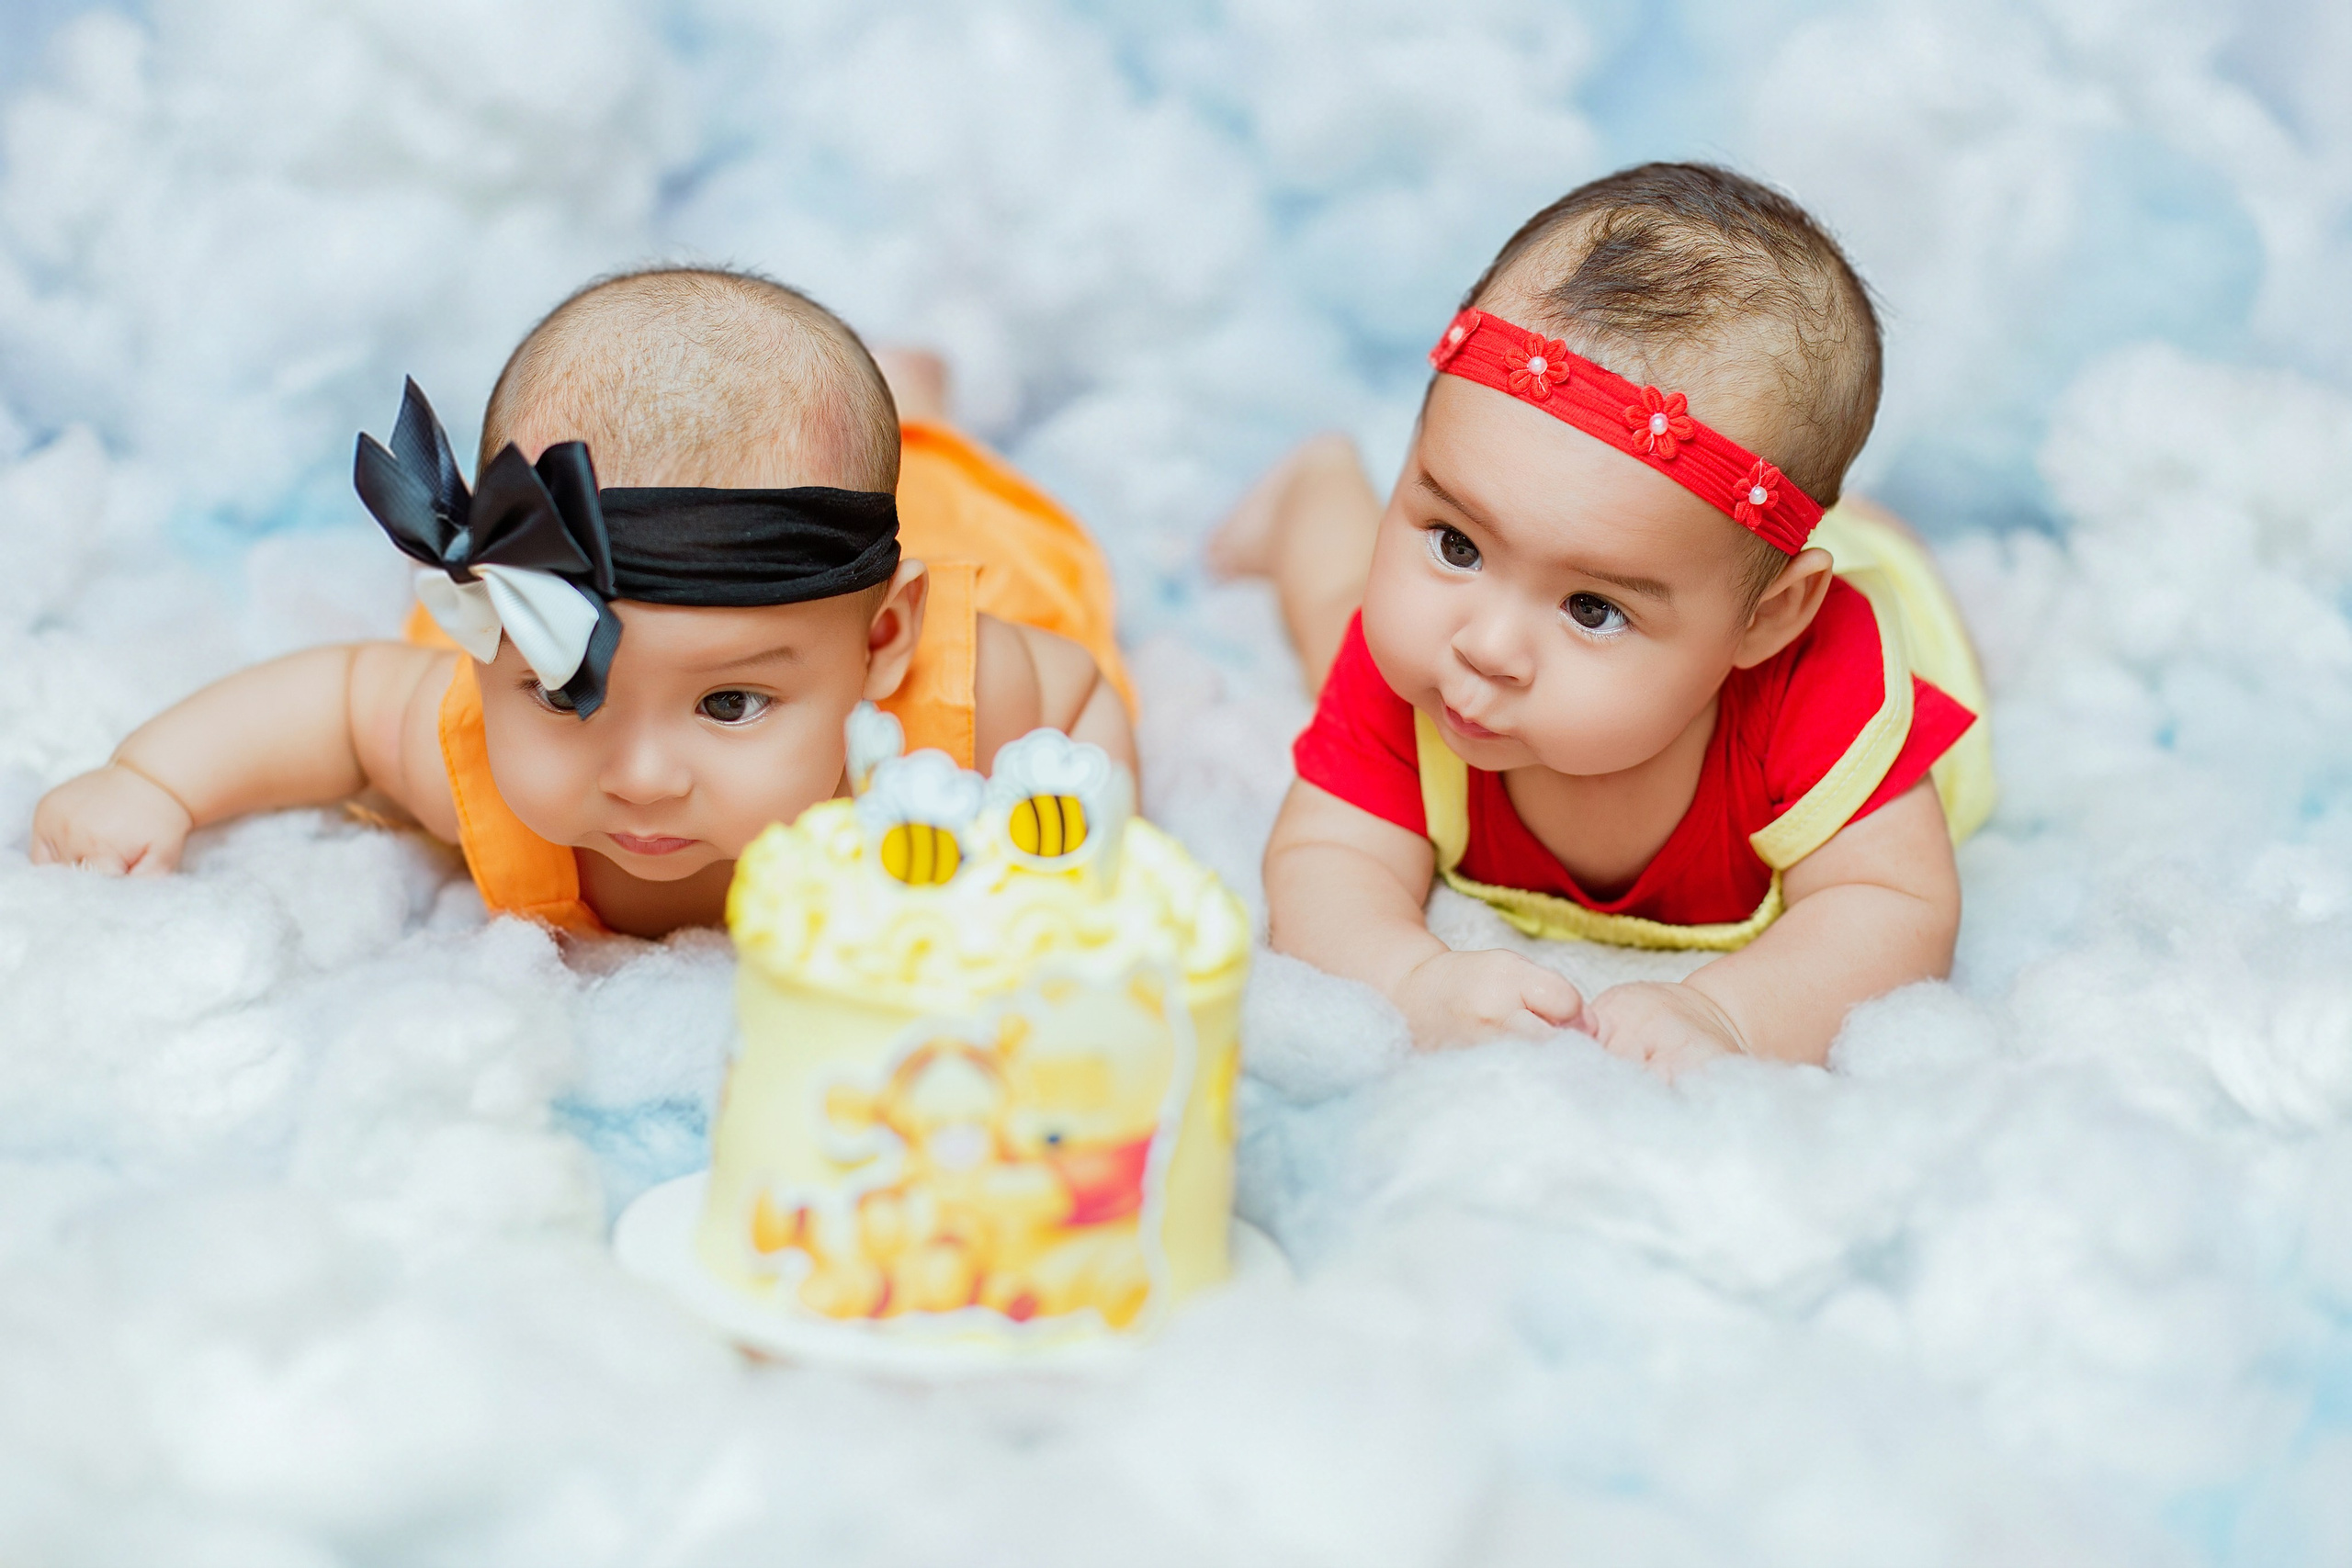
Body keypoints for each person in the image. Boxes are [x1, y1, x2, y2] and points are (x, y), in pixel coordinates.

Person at [31, 267, 1135, 939]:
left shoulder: (948, 716)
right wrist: (152, 780)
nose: (641, 777)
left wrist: (1078, 861)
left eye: (730, 704)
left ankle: (917, 400)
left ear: (883, 643)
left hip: (927, 541)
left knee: (934, 473)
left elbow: (1080, 698)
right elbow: (342, 700)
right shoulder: (469, 753)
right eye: (567, 692)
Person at [1213, 163, 1994, 1072]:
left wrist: (1732, 1016)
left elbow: (1892, 907)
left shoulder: (1822, 691)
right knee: (1338, 617)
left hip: (1829, 599)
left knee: (1884, 567)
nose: (1486, 646)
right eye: (1456, 543)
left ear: (1768, 620)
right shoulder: (1435, 660)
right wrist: (1409, 981)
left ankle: (1871, 534)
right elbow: (1326, 856)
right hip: (1707, 557)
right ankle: (1315, 491)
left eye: (1592, 608)